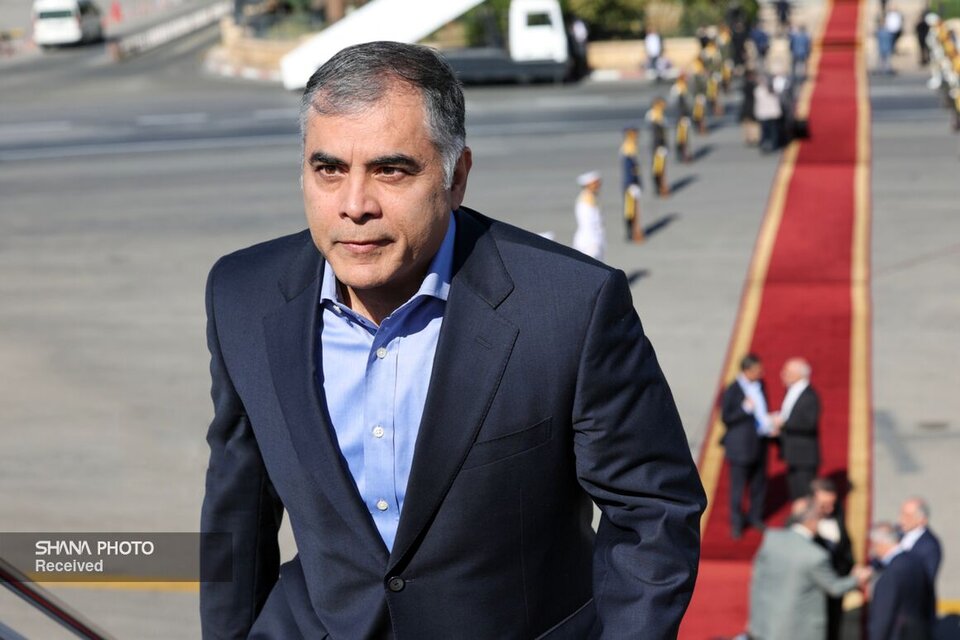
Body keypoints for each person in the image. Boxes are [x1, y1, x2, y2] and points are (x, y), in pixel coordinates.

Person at [199, 41, 706, 639]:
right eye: (329, 169)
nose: (354, 206)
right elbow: (237, 516)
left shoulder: (570, 306)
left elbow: (653, 512)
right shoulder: (242, 296)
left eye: (391, 170)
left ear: (456, 176)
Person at [748, 497, 869, 640]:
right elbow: (834, 587)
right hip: (798, 630)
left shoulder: (772, 539)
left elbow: (758, 578)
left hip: (767, 624)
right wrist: (857, 579)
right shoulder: (815, 556)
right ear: (812, 521)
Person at [721, 353, 772, 539]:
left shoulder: (761, 385)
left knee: (759, 484)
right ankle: (737, 523)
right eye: (757, 370)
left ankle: (755, 517)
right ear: (747, 370)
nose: (761, 373)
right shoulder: (732, 390)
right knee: (738, 487)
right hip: (740, 447)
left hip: (760, 442)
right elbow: (726, 418)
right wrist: (744, 409)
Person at [868, 522, 935, 640]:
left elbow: (883, 616)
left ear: (880, 543)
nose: (873, 550)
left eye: (873, 545)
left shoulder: (892, 572)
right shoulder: (915, 563)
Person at [772, 357, 821, 500]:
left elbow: (809, 424)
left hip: (804, 456)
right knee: (795, 495)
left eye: (787, 372)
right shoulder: (791, 391)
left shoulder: (809, 395)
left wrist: (783, 424)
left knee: (804, 496)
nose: (782, 375)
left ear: (799, 374)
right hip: (792, 453)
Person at [811, 478, 854, 640]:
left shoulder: (837, 513)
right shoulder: (800, 523)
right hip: (814, 590)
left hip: (836, 584)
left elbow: (846, 544)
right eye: (824, 505)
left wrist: (850, 569)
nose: (830, 509)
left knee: (834, 626)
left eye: (832, 504)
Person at [898, 496, 943, 620]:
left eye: (907, 515)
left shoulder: (930, 545)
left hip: (915, 610)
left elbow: (925, 579)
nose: (901, 519)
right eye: (901, 514)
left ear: (922, 519)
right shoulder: (897, 535)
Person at [573, 170, 606, 259]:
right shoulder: (586, 200)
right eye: (595, 183)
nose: (598, 185)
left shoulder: (590, 197)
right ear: (588, 185)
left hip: (592, 239)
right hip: (590, 241)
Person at [619, 128, 643, 241]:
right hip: (630, 184)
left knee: (632, 209)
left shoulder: (631, 145)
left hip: (632, 183)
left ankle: (633, 232)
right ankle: (632, 233)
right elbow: (629, 167)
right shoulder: (628, 147)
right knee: (631, 210)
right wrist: (632, 183)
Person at [646, 96, 671, 196]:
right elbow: (656, 133)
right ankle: (661, 187)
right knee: (659, 169)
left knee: (662, 168)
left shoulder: (660, 115)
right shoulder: (653, 116)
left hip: (661, 145)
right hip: (657, 146)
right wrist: (659, 147)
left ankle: (661, 187)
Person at [754, 75, 783, 152]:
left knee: (767, 130)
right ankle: (771, 144)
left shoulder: (760, 90)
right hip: (770, 113)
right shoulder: (763, 90)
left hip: (765, 114)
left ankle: (767, 144)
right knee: (771, 130)